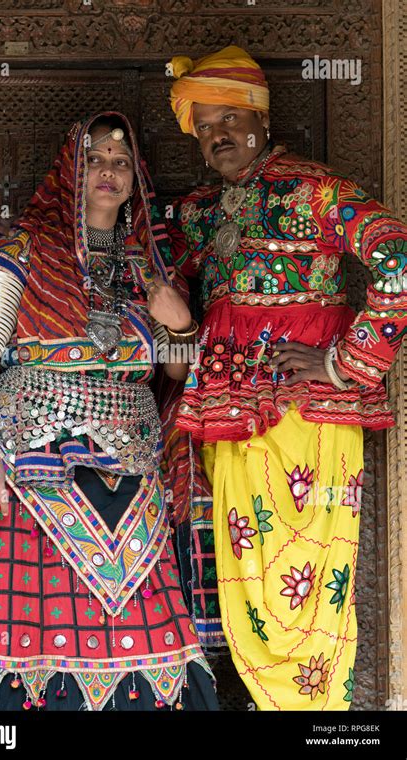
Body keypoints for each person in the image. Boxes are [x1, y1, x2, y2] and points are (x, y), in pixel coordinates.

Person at [0, 111, 218, 712]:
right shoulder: (24, 248)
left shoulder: (154, 263)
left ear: (135, 177)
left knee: (141, 630)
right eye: (94, 161)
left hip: (132, 476)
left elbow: (173, 372)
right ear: (71, 170)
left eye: (120, 163)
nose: (109, 173)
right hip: (33, 473)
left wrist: (184, 324)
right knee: (26, 628)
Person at [164, 45, 407, 710]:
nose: (219, 135)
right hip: (225, 408)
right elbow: (149, 277)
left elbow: (398, 260)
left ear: (262, 120)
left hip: (313, 409)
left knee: (308, 568)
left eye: (231, 119)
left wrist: (344, 363)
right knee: (244, 572)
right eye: (205, 124)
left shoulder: (317, 190)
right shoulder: (197, 212)